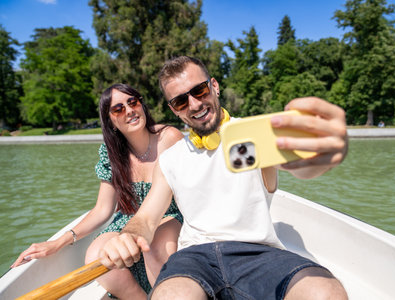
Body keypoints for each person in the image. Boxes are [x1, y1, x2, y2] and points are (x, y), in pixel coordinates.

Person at [100, 56, 349, 299]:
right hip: (194, 259)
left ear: (214, 86)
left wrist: (322, 155)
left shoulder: (252, 136)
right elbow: (146, 218)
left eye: (199, 91)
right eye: (180, 102)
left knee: (325, 292)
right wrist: (128, 236)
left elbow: (300, 165)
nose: (194, 105)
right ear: (174, 110)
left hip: (258, 254)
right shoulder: (171, 159)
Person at [12, 83, 183, 299]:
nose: (129, 110)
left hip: (168, 214)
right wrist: (58, 242)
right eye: (118, 109)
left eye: (133, 102)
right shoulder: (111, 153)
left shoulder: (168, 137)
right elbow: (102, 209)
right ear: (110, 121)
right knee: (96, 255)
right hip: (128, 219)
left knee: (155, 248)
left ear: (141, 105)